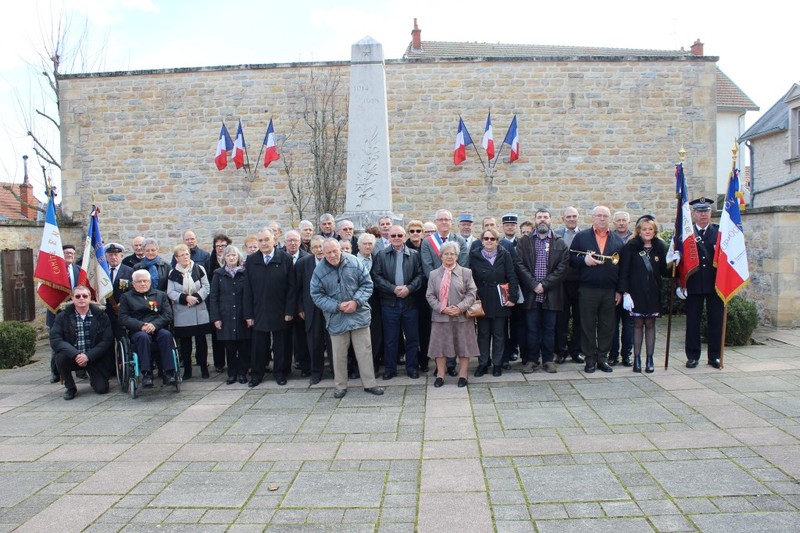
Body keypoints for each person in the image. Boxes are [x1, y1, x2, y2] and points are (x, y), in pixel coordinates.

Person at [310, 239, 384, 399]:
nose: (332, 255)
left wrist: (356, 302)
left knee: (364, 351)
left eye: (335, 251)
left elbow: (367, 284)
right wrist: (337, 306)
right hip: (336, 318)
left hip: (359, 314)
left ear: (340, 249)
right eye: (328, 252)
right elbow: (316, 295)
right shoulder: (319, 271)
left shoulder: (355, 262)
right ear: (323, 253)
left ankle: (370, 384)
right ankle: (340, 386)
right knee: (338, 354)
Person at [569, 205, 625, 373]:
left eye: (605, 216)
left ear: (609, 219)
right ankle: (590, 359)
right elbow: (571, 258)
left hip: (609, 290)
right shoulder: (582, 236)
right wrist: (584, 261)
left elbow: (622, 268)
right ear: (593, 218)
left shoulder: (617, 240)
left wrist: (619, 291)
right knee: (587, 325)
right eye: (599, 216)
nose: (602, 219)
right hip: (587, 289)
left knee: (607, 326)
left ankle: (602, 358)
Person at [516, 209, 569, 374]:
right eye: (539, 217)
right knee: (532, 329)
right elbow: (519, 264)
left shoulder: (559, 243)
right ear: (535, 221)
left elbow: (562, 268)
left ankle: (547, 360)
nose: (542, 220)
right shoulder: (524, 242)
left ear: (551, 220)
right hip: (531, 293)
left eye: (545, 217)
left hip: (551, 293)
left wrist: (544, 285)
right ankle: (532, 360)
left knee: (549, 328)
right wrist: (533, 284)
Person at [243, 228, 296, 387]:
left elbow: (292, 287)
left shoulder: (285, 258)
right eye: (260, 241)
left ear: (274, 240)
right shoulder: (251, 260)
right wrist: (248, 314)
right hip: (259, 310)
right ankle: (257, 374)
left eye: (267, 239)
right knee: (259, 346)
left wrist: (289, 310)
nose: (264, 243)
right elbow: (247, 289)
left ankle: (280, 373)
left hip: (280, 310)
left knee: (280, 345)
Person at [420, 209, 469, 376]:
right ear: (436, 221)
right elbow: (427, 266)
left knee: (455, 331)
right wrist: (440, 284)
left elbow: (462, 264)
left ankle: (451, 365)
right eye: (440, 219)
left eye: (447, 219)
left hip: (457, 293)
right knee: (440, 331)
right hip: (436, 292)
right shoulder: (427, 242)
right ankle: (439, 367)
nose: (444, 222)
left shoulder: (460, 241)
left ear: (451, 222)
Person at [618, 215, 669, 373]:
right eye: (644, 229)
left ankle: (650, 359)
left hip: (653, 292)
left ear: (655, 231)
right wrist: (625, 292)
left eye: (650, 229)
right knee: (638, 324)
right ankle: (637, 358)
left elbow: (665, 272)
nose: (647, 232)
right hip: (636, 292)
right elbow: (624, 272)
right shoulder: (630, 247)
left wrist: (675, 262)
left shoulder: (660, 247)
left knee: (650, 324)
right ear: (639, 231)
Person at [373, 225, 424, 380]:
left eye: (399, 235)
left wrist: (409, 288)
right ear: (389, 237)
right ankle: (390, 369)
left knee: (412, 338)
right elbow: (376, 276)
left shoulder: (414, 255)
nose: (396, 238)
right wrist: (393, 289)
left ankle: (412, 367)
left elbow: (420, 275)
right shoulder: (381, 255)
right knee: (391, 338)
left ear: (404, 236)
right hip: (390, 303)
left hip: (410, 303)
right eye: (393, 235)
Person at [426, 241, 479, 387]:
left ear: (457, 256)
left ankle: (463, 375)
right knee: (440, 348)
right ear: (441, 256)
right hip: (440, 317)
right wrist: (442, 309)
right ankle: (440, 375)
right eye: (446, 254)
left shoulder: (466, 272)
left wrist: (460, 308)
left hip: (461, 317)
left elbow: (472, 293)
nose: (449, 257)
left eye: (452, 254)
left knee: (463, 347)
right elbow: (429, 295)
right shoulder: (434, 274)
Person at [469, 227, 518, 377]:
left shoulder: (505, 254)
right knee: (483, 334)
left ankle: (497, 364)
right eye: (486, 239)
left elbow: (512, 276)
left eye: (492, 239)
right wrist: (472, 298)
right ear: (482, 241)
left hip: (500, 297)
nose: (489, 241)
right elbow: (470, 279)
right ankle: (483, 363)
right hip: (482, 298)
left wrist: (512, 297)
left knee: (499, 334)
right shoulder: (474, 255)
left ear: (497, 241)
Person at [50, 285, 114, 400]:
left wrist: (88, 356)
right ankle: (70, 387)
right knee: (60, 357)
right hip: (73, 356)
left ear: (89, 298)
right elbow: (56, 340)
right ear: (72, 299)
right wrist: (76, 354)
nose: (81, 299)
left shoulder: (101, 316)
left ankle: (94, 378)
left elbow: (107, 340)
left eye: (84, 296)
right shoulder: (62, 316)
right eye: (77, 296)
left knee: (102, 389)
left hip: (94, 358)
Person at [682, 197, 723, 369]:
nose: (703, 214)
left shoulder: (719, 232)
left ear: (710, 213)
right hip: (694, 283)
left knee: (716, 321)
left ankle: (715, 356)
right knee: (692, 321)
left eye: (706, 211)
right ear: (693, 213)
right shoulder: (687, 233)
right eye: (699, 211)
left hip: (716, 284)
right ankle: (692, 356)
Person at [119, 269, 177, 387]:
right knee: (143, 337)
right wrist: (141, 325)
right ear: (133, 283)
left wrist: (154, 325)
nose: (143, 284)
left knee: (166, 335)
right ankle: (146, 374)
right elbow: (123, 317)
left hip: (157, 328)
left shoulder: (160, 295)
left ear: (150, 282)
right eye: (139, 281)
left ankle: (169, 373)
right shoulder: (126, 297)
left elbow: (168, 314)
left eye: (145, 281)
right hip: (138, 331)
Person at [167, 243, 212, 379]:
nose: (185, 257)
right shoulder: (173, 273)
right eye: (182, 255)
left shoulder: (199, 269)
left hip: (199, 310)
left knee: (201, 341)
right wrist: (185, 298)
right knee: (186, 343)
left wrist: (196, 298)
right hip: (183, 311)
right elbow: (170, 292)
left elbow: (206, 287)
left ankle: (204, 367)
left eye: (187, 254)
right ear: (176, 258)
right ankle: (187, 369)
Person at [209, 245, 251, 384]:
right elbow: (214, 297)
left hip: (242, 315)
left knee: (243, 346)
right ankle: (232, 373)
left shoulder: (245, 273)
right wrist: (215, 318)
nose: (231, 258)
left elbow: (250, 295)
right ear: (224, 258)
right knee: (230, 347)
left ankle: (243, 373)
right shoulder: (218, 274)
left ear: (238, 257)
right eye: (228, 256)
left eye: (234, 255)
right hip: (225, 316)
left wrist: (249, 315)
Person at [296, 236, 332, 384]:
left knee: (332, 341)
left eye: (321, 246)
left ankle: (337, 371)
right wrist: (300, 308)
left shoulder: (332, 261)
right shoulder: (303, 264)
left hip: (330, 308)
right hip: (311, 309)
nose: (318, 250)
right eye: (315, 247)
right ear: (310, 249)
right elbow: (297, 289)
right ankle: (316, 372)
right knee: (314, 342)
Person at [555, 206, 584, 364]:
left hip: (580, 282)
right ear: (563, 219)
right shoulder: (556, 235)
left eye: (574, 216)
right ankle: (561, 350)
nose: (572, 219)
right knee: (562, 318)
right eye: (568, 217)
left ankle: (576, 351)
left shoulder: (585, 235)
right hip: (561, 283)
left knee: (579, 318)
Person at [405, 220, 431, 372]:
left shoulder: (426, 246)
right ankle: (412, 361)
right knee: (411, 332)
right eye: (412, 231)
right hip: (410, 294)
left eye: (418, 231)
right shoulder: (404, 247)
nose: (415, 234)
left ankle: (424, 360)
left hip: (426, 294)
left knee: (425, 330)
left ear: (422, 232)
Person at [609, 210, 634, 367]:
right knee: (612, 324)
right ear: (614, 222)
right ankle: (613, 354)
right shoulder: (609, 238)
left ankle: (627, 354)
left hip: (631, 289)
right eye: (618, 220)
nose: (621, 223)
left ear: (629, 222)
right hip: (613, 287)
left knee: (629, 324)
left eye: (624, 220)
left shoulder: (635, 239)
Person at [357, 232, 384, 373]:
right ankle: (357, 367)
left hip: (375, 303)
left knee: (375, 335)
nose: (368, 246)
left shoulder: (377, 259)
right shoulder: (352, 260)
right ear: (358, 245)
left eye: (370, 244)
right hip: (357, 304)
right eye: (365, 244)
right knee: (358, 337)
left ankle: (374, 364)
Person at [206, 234, 232, 373]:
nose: (221, 248)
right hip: (215, 300)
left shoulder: (235, 258)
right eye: (218, 246)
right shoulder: (209, 262)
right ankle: (219, 362)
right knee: (217, 334)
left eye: (223, 245)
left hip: (230, 300)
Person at [104, 242, 134, 338]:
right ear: (106, 256)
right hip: (104, 310)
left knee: (121, 337)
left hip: (121, 311)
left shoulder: (130, 271)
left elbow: (133, 291)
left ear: (121, 256)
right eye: (110, 255)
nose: (113, 257)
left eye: (116, 255)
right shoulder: (101, 271)